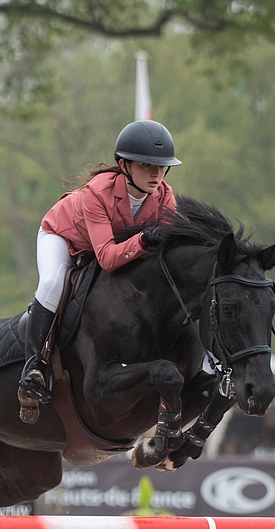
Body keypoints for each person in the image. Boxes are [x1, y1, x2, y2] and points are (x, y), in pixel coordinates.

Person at [18, 119, 182, 420]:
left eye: (161, 166)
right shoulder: (98, 192)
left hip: (108, 245)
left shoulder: (164, 195)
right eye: (147, 165)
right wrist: (145, 239)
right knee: (54, 284)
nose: (156, 174)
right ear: (124, 165)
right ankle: (34, 365)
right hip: (63, 237)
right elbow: (106, 257)